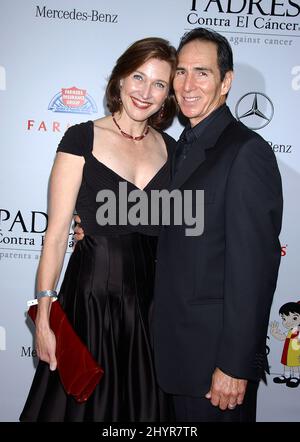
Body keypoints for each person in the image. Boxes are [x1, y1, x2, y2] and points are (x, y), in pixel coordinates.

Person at [19, 37, 177, 422]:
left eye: (159, 84)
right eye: (138, 77)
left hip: (150, 309)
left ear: (168, 95)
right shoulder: (81, 138)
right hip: (90, 300)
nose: (146, 92)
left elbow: (179, 229)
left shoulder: (174, 150)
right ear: (121, 78)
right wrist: (43, 316)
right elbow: (56, 235)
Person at [152, 28, 283, 422]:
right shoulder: (178, 150)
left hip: (216, 370)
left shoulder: (246, 152)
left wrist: (235, 364)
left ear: (226, 82)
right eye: (181, 72)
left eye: (202, 73)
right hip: (173, 357)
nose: (187, 85)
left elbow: (254, 271)